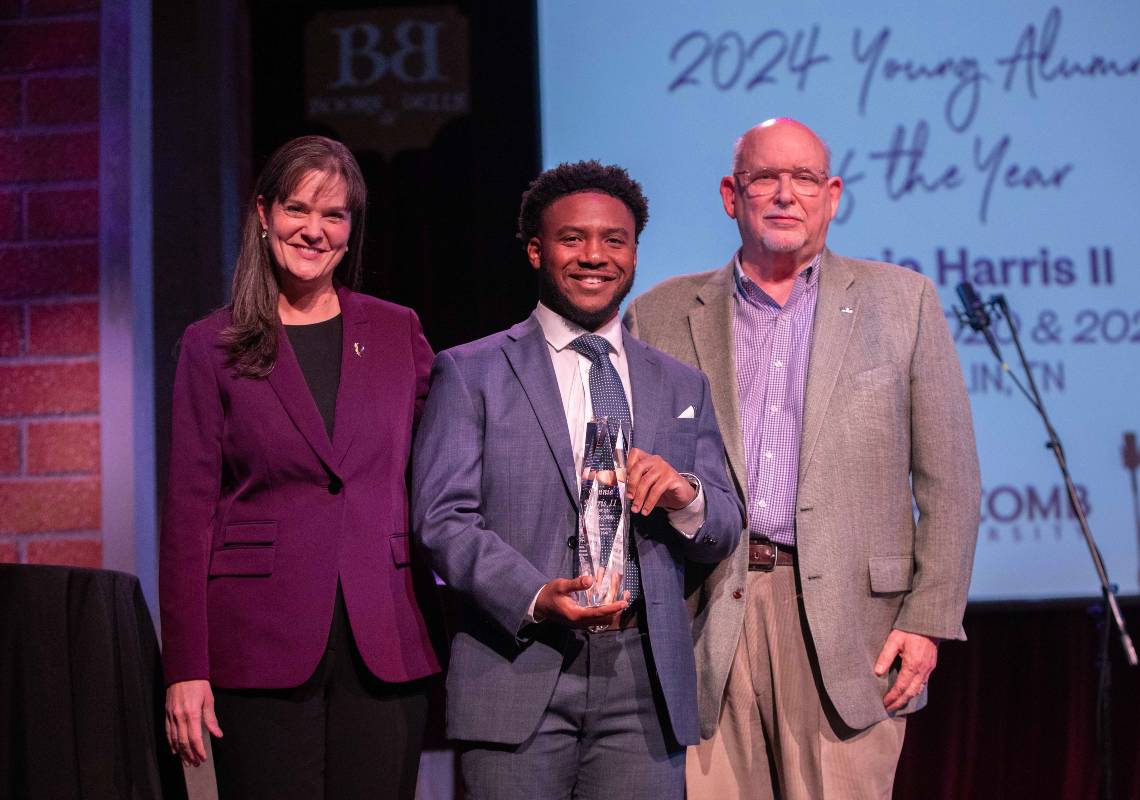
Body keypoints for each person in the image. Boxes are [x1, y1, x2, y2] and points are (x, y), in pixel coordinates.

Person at [624, 117, 982, 799]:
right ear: (733, 194)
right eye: (766, 178)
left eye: (805, 179)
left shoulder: (901, 303)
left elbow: (952, 480)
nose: (786, 194)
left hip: (854, 628)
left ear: (833, 194)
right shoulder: (661, 314)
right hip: (709, 615)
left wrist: (927, 619)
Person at [412, 160, 743, 799]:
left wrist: (685, 496)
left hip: (642, 681)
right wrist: (535, 595)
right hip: (518, 665)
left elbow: (725, 521)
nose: (595, 256)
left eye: (614, 240)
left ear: (635, 253)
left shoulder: (680, 383)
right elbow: (442, 521)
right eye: (572, 239)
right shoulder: (471, 372)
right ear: (537, 250)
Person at [159, 135, 440, 799]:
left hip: (385, 633)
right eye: (297, 209)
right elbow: (187, 512)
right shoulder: (212, 344)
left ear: (350, 232)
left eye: (334, 215)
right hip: (258, 640)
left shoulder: (398, 332)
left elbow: (452, 455)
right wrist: (185, 667)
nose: (314, 230)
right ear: (264, 214)